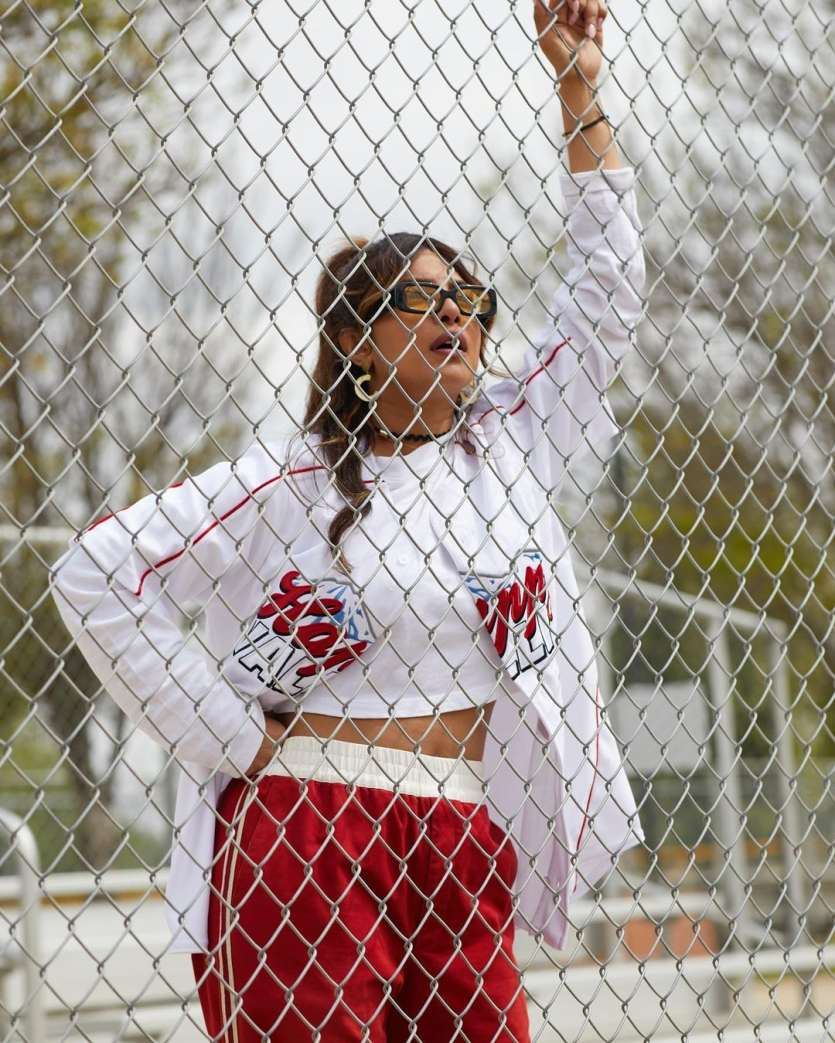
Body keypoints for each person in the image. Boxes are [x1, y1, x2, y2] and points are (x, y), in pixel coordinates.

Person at [52, 1, 646, 1039]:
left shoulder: (510, 444)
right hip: (309, 824)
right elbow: (101, 572)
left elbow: (607, 294)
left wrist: (580, 92)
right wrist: (229, 735)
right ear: (354, 342)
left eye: (467, 296)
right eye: (421, 300)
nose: (456, 313)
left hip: (465, 827)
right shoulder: (287, 481)